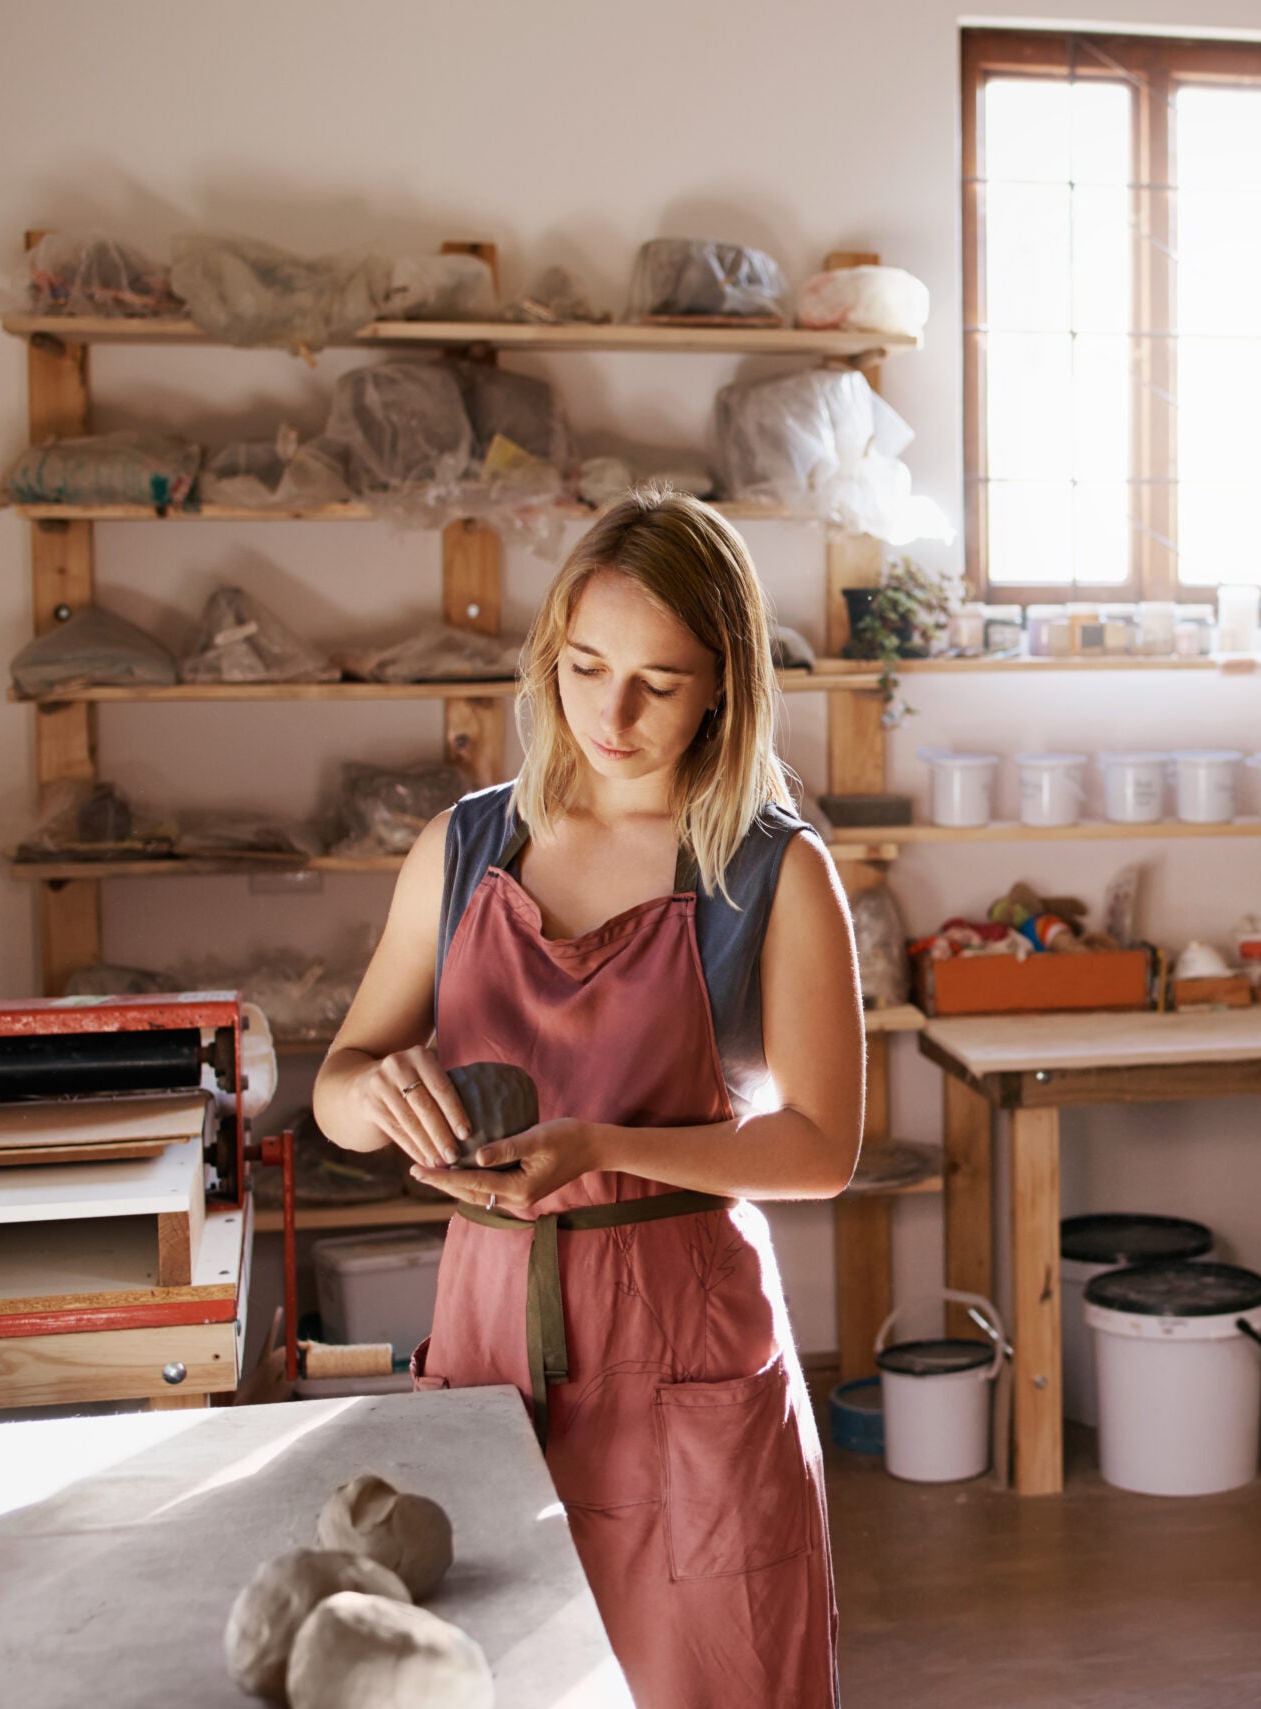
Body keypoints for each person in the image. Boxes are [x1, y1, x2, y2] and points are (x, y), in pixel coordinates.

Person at [315, 491, 860, 1707]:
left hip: (684, 1339)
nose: (612, 715)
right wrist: (378, 1093)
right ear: (547, 650)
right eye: (586, 666)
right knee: (493, 1669)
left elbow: (821, 1147)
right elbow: (339, 1088)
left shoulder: (770, 869)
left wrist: (604, 1146)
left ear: (724, 683)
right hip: (490, 1325)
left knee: (710, 1674)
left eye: (660, 683)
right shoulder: (463, 848)